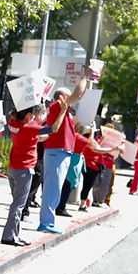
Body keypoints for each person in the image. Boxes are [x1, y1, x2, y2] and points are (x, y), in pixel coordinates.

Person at [38, 67, 94, 233]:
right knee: (52, 188)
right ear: (62, 98)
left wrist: (88, 80)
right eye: (69, 97)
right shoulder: (57, 106)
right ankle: (46, 222)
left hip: (61, 152)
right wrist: (85, 75)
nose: (73, 100)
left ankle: (49, 221)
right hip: (57, 151)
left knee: (55, 188)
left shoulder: (64, 110)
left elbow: (79, 95)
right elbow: (77, 95)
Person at [2, 105, 44, 246]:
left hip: (13, 167)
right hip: (24, 169)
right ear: (27, 115)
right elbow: (53, 129)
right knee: (18, 205)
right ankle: (9, 236)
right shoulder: (29, 128)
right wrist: (61, 111)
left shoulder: (13, 123)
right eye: (32, 115)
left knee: (16, 203)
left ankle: (15, 234)